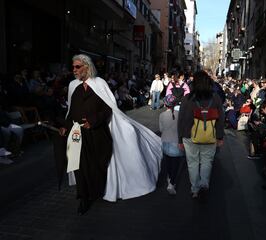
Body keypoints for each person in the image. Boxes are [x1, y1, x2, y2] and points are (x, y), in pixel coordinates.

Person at [58, 54, 162, 215]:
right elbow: (71, 110)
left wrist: (92, 121)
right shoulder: (73, 85)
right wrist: (65, 126)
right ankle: (84, 197)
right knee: (78, 166)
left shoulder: (99, 84)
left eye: (77, 67)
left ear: (87, 67)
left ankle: (96, 190)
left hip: (96, 133)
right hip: (77, 134)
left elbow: (108, 108)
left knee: (95, 165)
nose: (74, 70)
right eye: (73, 67)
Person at [178, 71, 225, 201]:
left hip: (189, 136)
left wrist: (179, 139)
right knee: (206, 161)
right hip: (210, 136)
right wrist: (220, 136)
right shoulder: (215, 98)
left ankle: (195, 190)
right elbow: (221, 118)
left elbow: (181, 120)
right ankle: (204, 184)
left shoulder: (187, 98)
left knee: (192, 163)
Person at [159, 94, 184, 195]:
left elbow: (161, 129)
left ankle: (169, 178)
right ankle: (172, 183)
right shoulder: (180, 114)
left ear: (165, 104)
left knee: (168, 162)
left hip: (165, 141)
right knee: (176, 164)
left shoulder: (162, 115)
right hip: (176, 142)